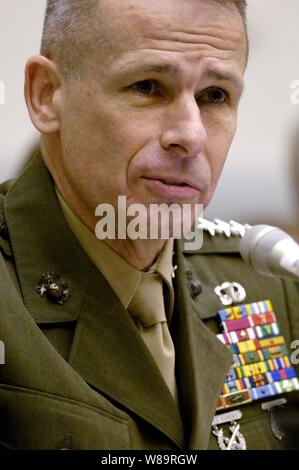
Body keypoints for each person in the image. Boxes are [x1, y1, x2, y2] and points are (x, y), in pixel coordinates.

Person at [0, 0, 298, 450]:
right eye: (148, 86)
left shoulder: (263, 283)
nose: (191, 135)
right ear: (46, 95)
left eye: (215, 95)